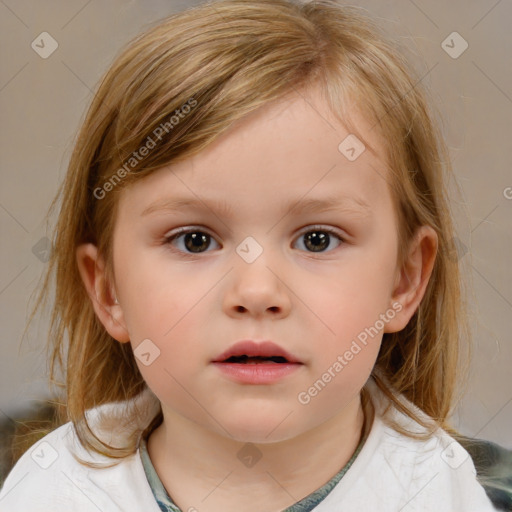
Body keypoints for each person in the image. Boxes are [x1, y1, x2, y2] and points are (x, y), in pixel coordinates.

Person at [0, 0, 510, 510]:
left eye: (317, 239)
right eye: (194, 240)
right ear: (108, 290)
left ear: (403, 282)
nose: (257, 292)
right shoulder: (54, 492)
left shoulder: (439, 493)